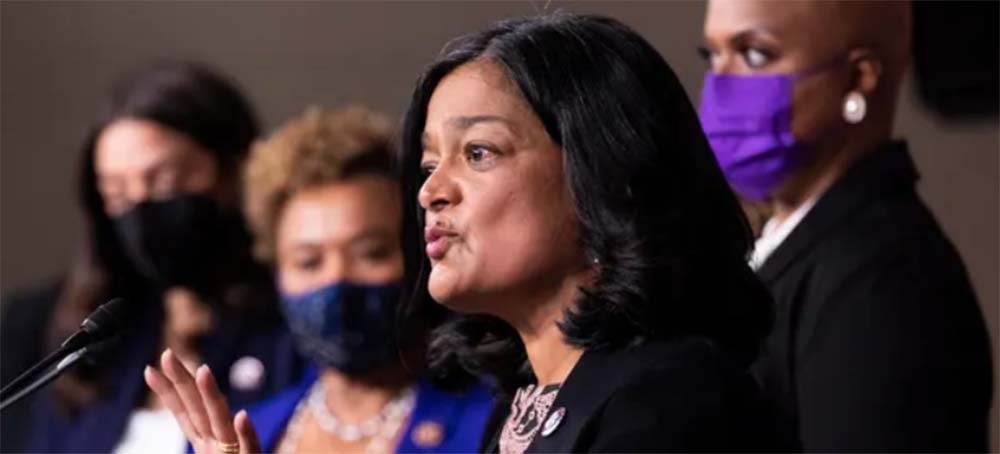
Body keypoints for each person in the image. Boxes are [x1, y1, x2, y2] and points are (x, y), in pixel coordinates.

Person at [397, 14, 780, 453]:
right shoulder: (521, 402)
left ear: (605, 175)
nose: (430, 192)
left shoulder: (669, 400)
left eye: (478, 152)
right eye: (430, 166)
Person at [698, 1, 994, 451]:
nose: (721, 85)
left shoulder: (886, 282)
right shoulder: (792, 242)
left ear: (858, 77)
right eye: (712, 55)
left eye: (755, 54)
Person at [144, 107, 493, 454]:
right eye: (308, 262)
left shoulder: (494, 421)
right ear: (278, 273)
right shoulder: (232, 437)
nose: (337, 278)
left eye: (371, 253)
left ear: (421, 253)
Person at [1, 60, 304, 454]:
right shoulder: (70, 332)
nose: (141, 211)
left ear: (233, 173)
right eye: (117, 194)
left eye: (165, 180)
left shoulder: (297, 322)